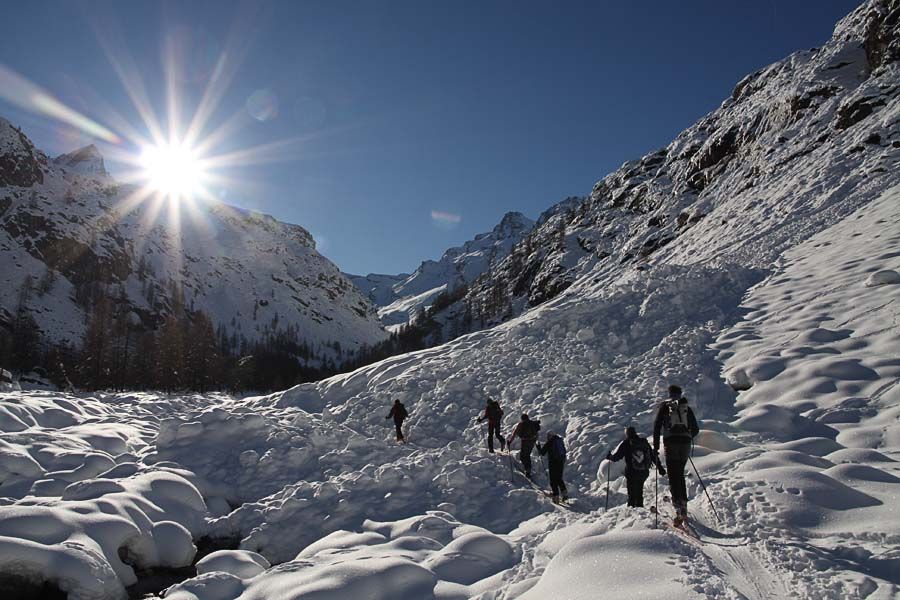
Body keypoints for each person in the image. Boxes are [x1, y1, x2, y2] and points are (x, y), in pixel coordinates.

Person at [653, 385, 700, 521]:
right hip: (684, 443)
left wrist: (656, 447)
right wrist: (687, 435)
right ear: (680, 394)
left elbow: (657, 426)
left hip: (671, 442)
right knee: (680, 472)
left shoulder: (665, 407)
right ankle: (684, 503)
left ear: (669, 393)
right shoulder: (686, 408)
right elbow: (695, 429)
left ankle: (677, 505)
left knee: (673, 473)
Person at [607, 426, 664, 508]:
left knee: (631, 493)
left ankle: (632, 509)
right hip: (643, 472)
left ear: (627, 434)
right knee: (639, 490)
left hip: (631, 472)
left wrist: (610, 457)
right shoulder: (644, 442)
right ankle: (639, 508)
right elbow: (652, 456)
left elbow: (616, 457)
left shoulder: (626, 443)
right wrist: (660, 468)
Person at [537, 431, 568, 502]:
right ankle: (564, 494)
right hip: (560, 462)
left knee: (553, 480)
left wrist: (538, 447)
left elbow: (542, 453)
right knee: (559, 478)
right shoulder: (559, 441)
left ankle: (556, 496)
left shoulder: (549, 442)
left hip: (553, 463)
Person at [507, 413, 540, 479]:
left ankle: (527, 469)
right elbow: (536, 433)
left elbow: (515, 433)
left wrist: (510, 441)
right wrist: (535, 441)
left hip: (525, 441)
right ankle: (528, 470)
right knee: (527, 455)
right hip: (532, 442)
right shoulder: (533, 423)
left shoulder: (521, 424)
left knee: (522, 456)